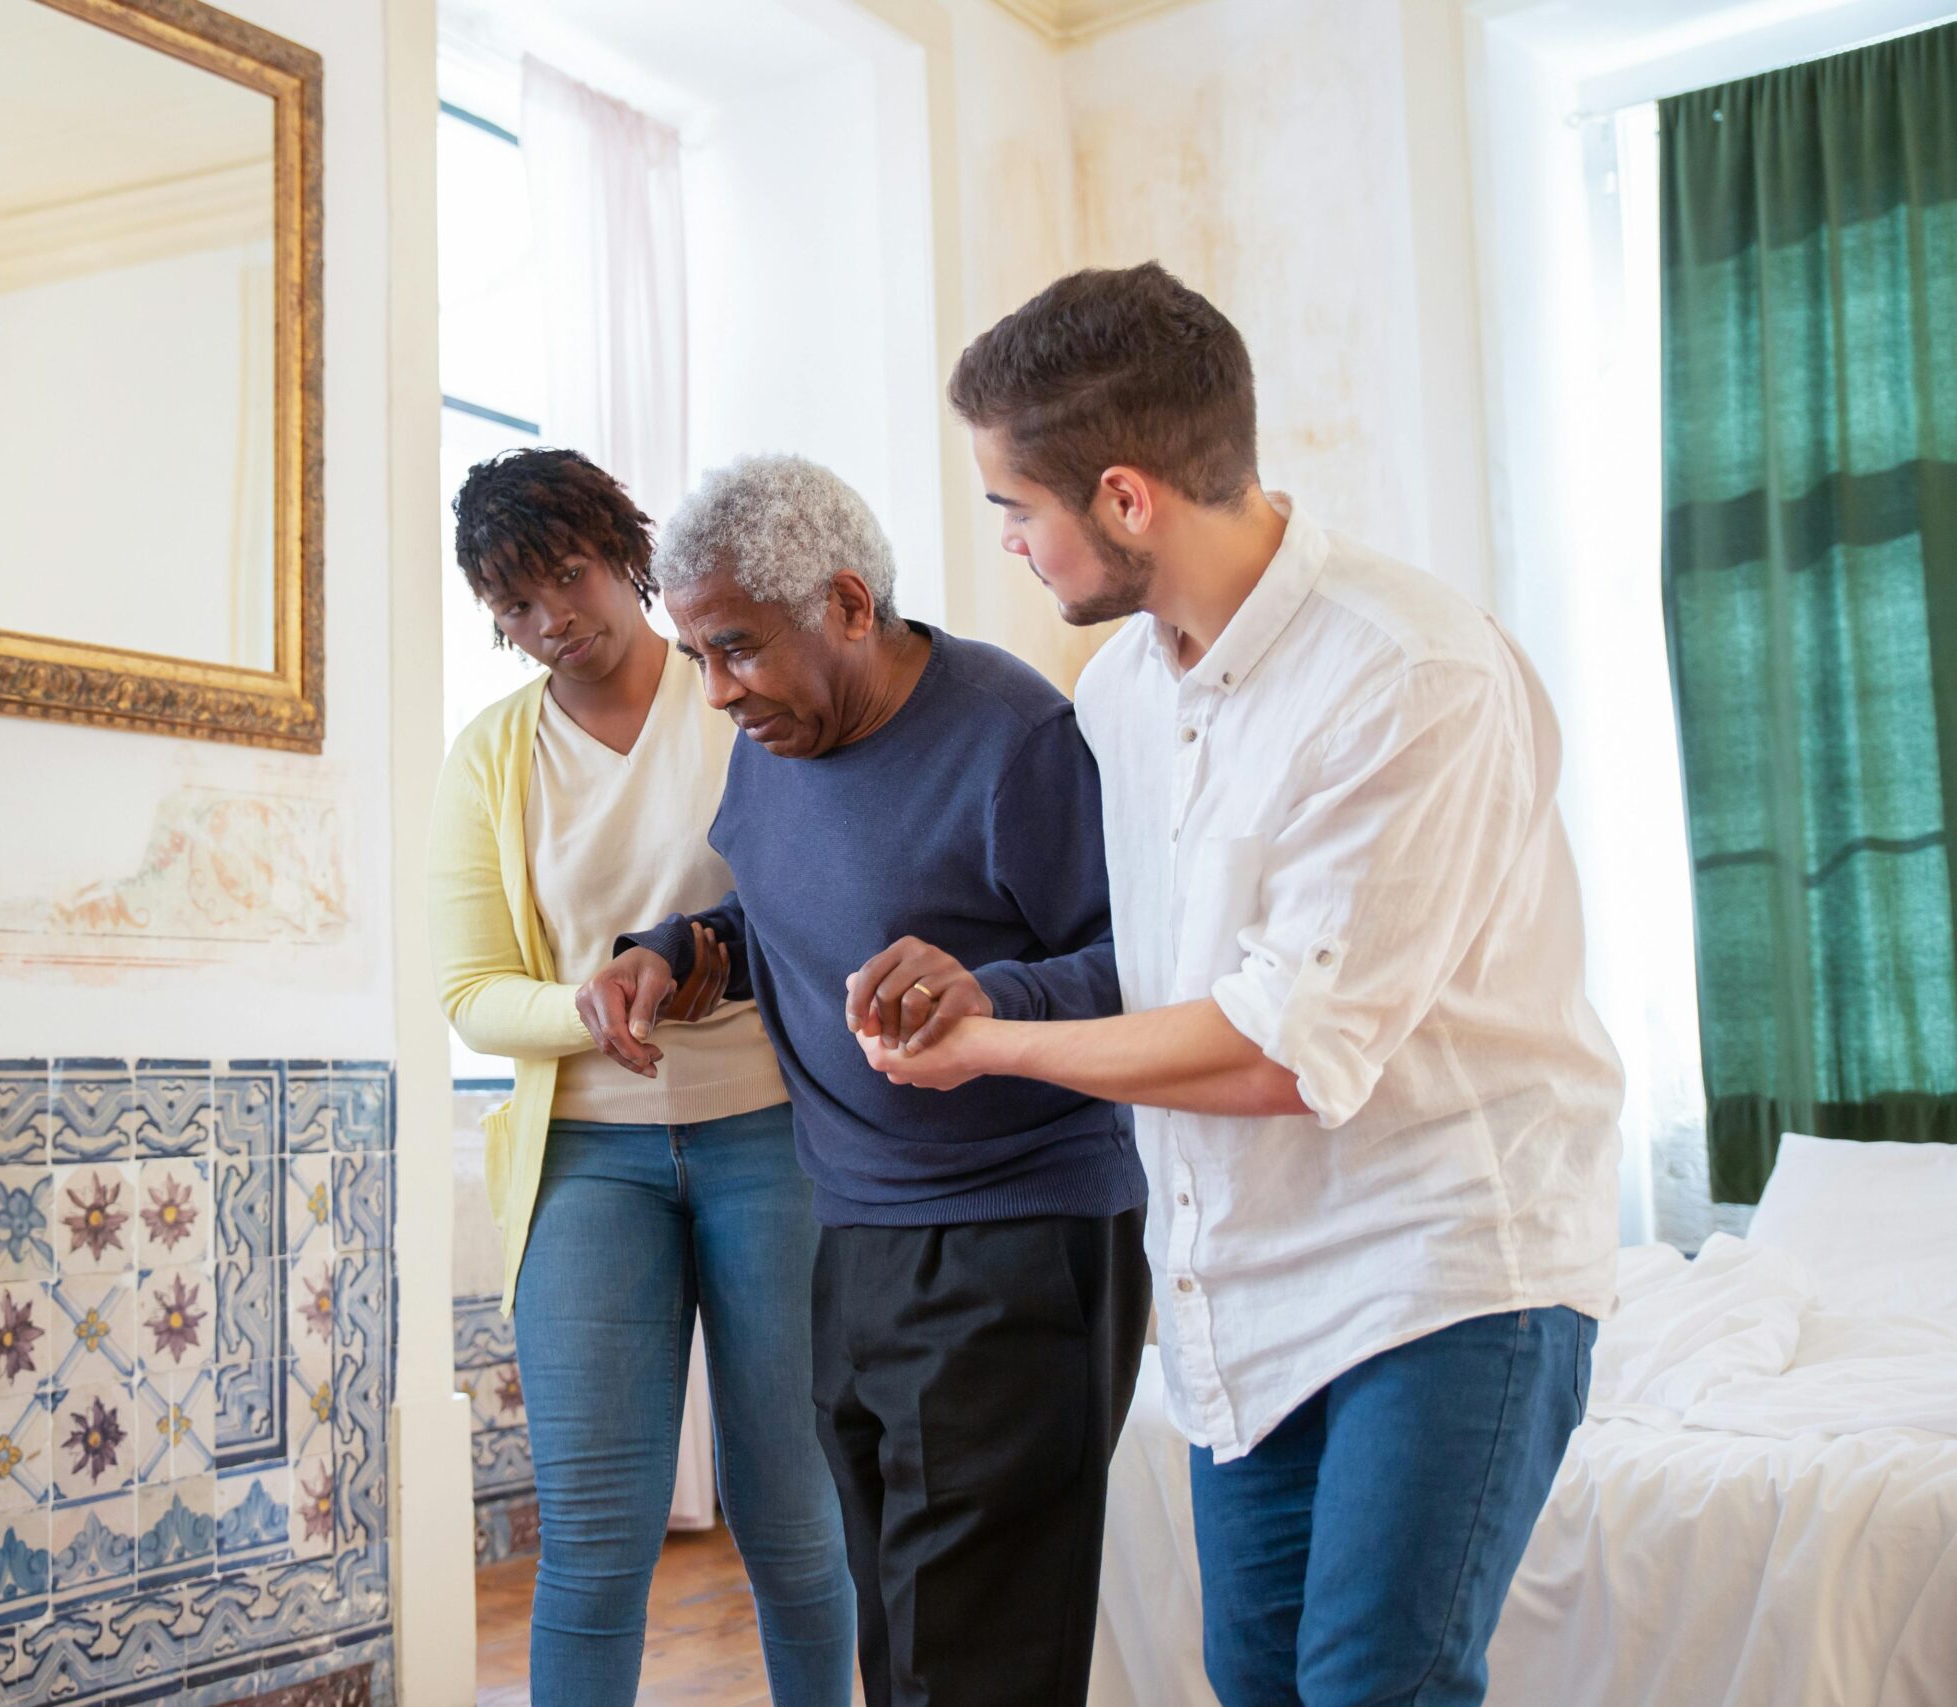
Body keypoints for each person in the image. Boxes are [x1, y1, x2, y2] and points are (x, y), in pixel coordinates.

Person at [869, 263, 1622, 1707]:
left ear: (1125, 498)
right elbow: (1175, 971)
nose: (1010, 542)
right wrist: (996, 994)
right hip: (1240, 1285)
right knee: (1254, 1679)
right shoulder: (1121, 694)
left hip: (1443, 1265)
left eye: (1016, 507)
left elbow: (1282, 1049)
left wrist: (996, 1052)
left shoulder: (1411, 676)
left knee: (1371, 1684)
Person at [575, 452, 1150, 1707]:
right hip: (851, 1234)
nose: (717, 691)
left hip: (1014, 1238)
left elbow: (1143, 964)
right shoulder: (774, 739)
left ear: (845, 603)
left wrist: (988, 993)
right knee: (896, 1643)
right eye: (698, 657)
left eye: (737, 650)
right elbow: (780, 910)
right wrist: (674, 950)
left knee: (975, 1658)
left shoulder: (1011, 739)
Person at [426, 448, 855, 1707]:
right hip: (585, 1163)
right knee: (595, 1543)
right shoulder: (491, 756)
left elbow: (828, 906)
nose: (552, 619)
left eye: (568, 576)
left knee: (796, 1523)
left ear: (627, 556)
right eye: (514, 604)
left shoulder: (736, 700)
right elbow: (470, 991)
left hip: (770, 1137)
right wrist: (586, 1005)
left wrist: (717, 962)